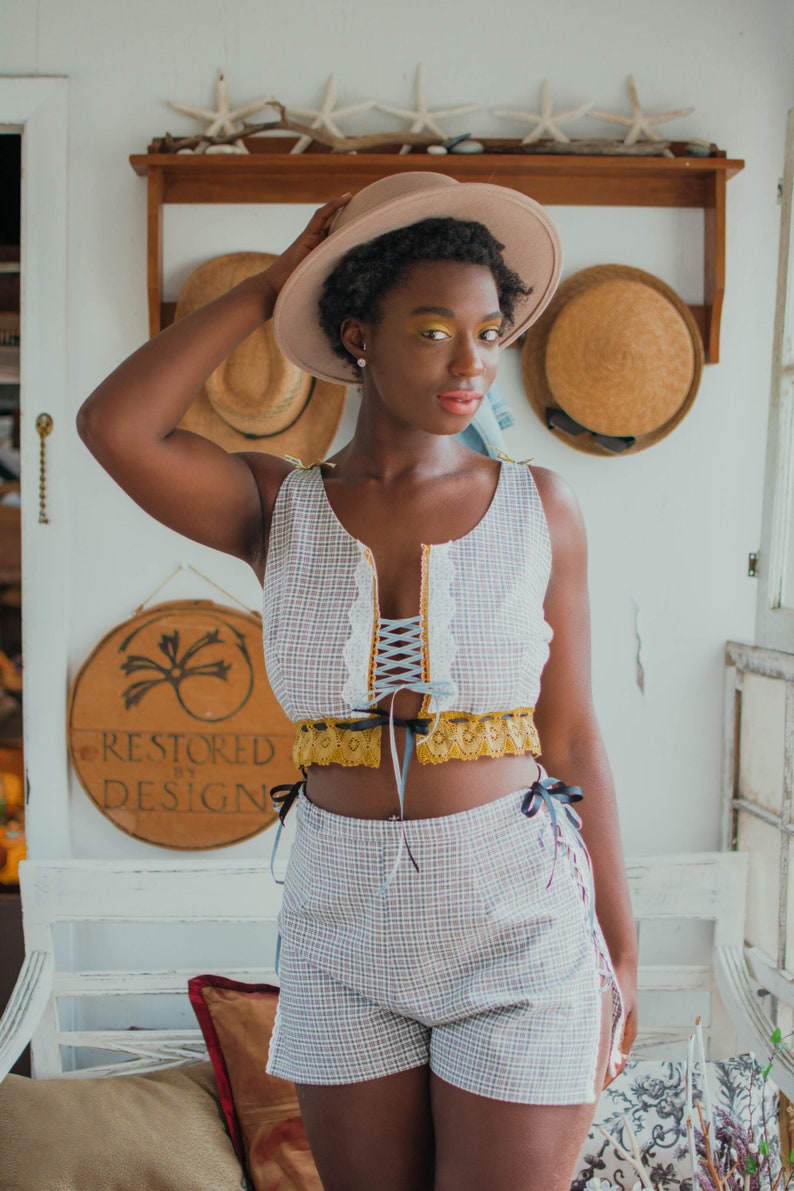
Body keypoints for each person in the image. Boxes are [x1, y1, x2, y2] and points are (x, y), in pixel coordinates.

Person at [78, 172, 638, 1191]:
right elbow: (115, 428)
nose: (472, 361)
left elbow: (571, 740)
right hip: (340, 924)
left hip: (516, 914)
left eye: (488, 331)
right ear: (355, 337)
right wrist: (271, 287)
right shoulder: (271, 504)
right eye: (432, 330)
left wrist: (620, 950)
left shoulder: (538, 508)